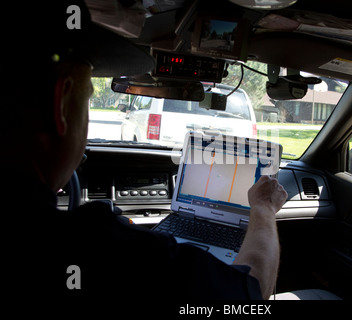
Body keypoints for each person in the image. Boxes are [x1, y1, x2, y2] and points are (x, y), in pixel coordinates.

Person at [1, 1, 287, 301]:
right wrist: (264, 209)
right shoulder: (100, 248)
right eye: (86, 99)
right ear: (61, 104)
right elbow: (249, 297)